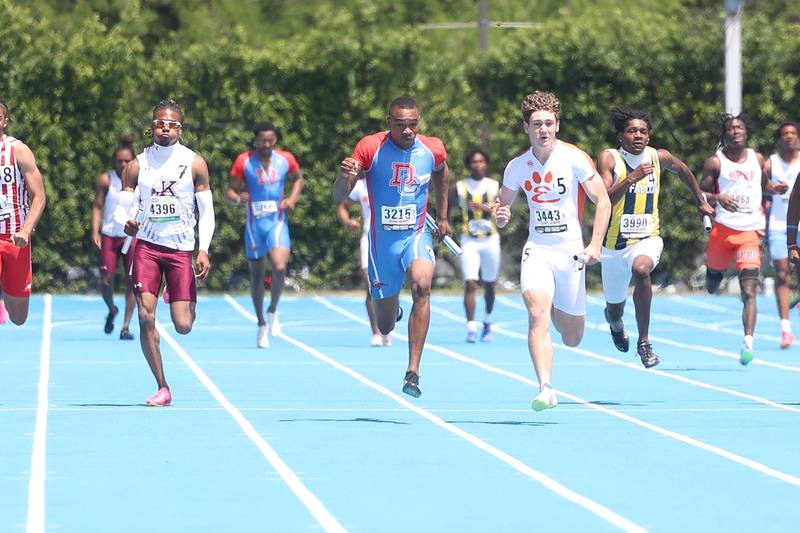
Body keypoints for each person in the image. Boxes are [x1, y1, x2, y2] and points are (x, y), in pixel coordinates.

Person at [492, 90, 611, 411]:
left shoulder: (574, 158)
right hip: (538, 251)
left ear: (557, 126)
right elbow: (501, 207)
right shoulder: (517, 166)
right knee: (535, 314)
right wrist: (500, 214)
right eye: (536, 124)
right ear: (526, 129)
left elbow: (603, 200)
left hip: (571, 253)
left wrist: (596, 244)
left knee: (572, 337)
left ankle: (562, 306)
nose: (543, 129)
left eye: (548, 123)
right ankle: (545, 387)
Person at [335, 96, 450, 398]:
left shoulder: (432, 149)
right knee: (385, 327)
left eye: (413, 125)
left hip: (415, 236)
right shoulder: (370, 148)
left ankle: (413, 372)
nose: (408, 131)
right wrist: (345, 176)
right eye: (401, 126)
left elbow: (441, 171)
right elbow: (338, 194)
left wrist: (444, 215)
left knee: (422, 286)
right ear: (389, 124)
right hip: (381, 245)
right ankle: (391, 307)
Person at [115, 99, 215, 406]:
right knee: (146, 316)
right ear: (152, 126)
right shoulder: (137, 165)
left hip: (180, 249)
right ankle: (162, 386)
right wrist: (126, 223)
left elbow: (207, 211)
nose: (165, 128)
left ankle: (178, 292)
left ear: (180, 128)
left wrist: (204, 249)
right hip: (146, 247)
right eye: (160, 123)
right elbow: (120, 209)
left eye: (171, 124)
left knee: (183, 325)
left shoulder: (194, 163)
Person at [597, 106, 713, 367]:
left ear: (648, 136)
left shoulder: (658, 157)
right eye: (632, 131)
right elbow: (603, 199)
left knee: (642, 269)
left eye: (643, 131)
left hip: (647, 238)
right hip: (614, 246)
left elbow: (683, 170)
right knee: (614, 310)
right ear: (620, 135)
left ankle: (644, 342)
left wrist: (700, 201)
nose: (638, 135)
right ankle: (615, 324)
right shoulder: (610, 158)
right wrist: (631, 179)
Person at [701, 113, 771, 365]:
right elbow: (701, 193)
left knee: (749, 290)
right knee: (712, 283)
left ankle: (748, 342)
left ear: (746, 132)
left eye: (740, 127)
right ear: (725, 134)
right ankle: (712, 276)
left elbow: (765, 186)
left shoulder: (758, 159)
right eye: (731, 128)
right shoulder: (715, 163)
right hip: (722, 230)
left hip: (750, 232)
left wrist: (777, 190)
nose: (736, 131)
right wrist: (719, 199)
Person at [226, 122, 304, 348]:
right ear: (256, 140)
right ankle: (261, 323)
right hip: (254, 225)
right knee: (257, 275)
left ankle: (273, 310)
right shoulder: (244, 161)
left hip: (277, 222)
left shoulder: (285, 159)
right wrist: (240, 198)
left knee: (280, 267)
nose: (267, 144)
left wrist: (292, 199)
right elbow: (230, 192)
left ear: (276, 140)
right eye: (263, 140)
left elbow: (298, 178)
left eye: (271, 140)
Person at [0, 99, 47, 326]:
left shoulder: (18, 151)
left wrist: (26, 230)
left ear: (5, 121)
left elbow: (38, 196)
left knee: (19, 317)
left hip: (14, 238)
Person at [448, 148, 501, 343]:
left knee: (489, 284)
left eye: (481, 161)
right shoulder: (460, 187)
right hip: (469, 239)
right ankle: (471, 326)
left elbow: (502, 210)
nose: (477, 165)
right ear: (469, 164)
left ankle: (487, 321)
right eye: (474, 161)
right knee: (470, 282)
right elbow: (446, 206)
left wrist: (484, 208)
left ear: (486, 164)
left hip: (490, 239)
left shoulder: (494, 186)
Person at [91, 137, 137, 339]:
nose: (123, 164)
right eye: (120, 160)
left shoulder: (140, 180)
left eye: (127, 160)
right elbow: (97, 206)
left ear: (133, 161)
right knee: (105, 280)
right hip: (110, 234)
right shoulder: (106, 180)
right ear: (115, 161)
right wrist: (95, 231)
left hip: (131, 237)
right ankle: (111, 309)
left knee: (133, 280)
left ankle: (125, 326)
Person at [337, 177, 391, 346]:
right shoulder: (360, 186)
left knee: (388, 287)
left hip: (390, 239)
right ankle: (376, 331)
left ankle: (387, 327)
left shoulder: (390, 180)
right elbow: (343, 206)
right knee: (371, 285)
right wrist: (347, 221)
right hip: (369, 240)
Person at [764, 121, 800, 348]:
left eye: (793, 133)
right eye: (784, 133)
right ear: (779, 138)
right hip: (779, 224)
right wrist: (771, 189)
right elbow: (757, 186)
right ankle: (785, 328)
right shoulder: (771, 163)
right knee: (782, 273)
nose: (788, 137)